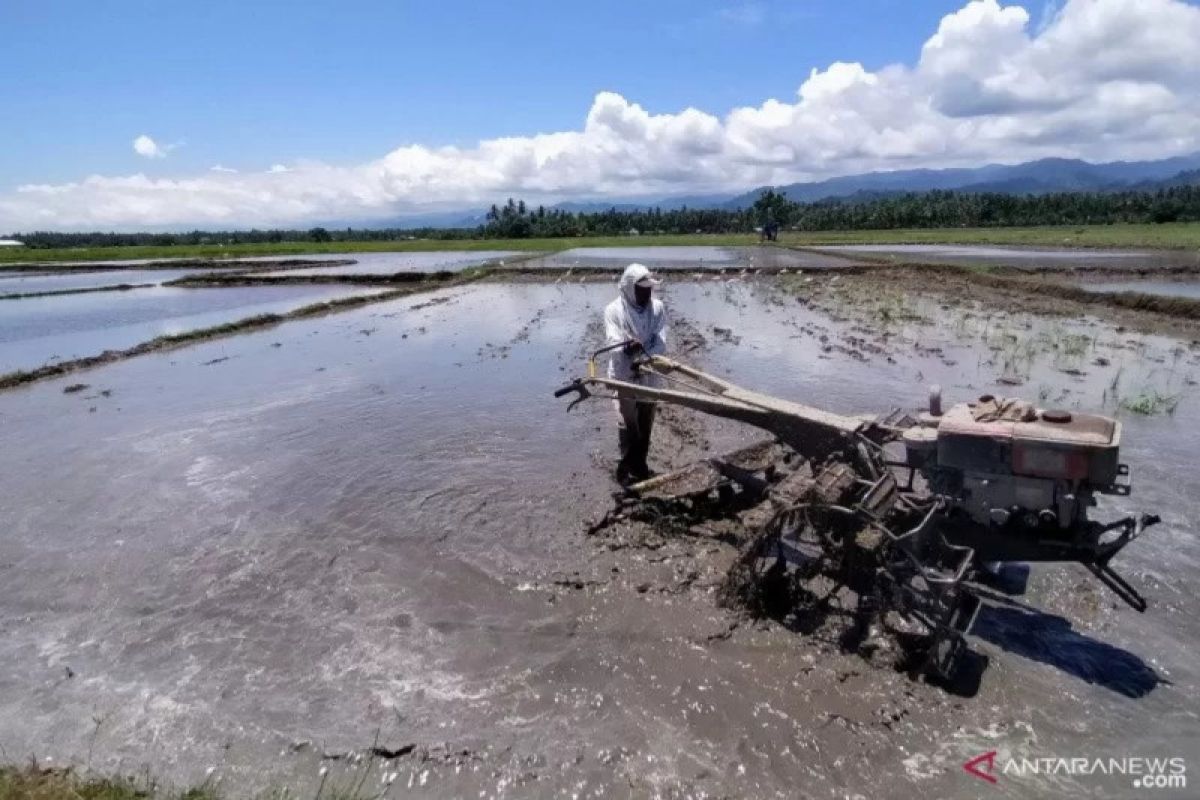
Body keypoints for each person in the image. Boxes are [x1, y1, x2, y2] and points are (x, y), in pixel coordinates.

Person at [603, 263, 668, 484]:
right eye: (642, 289)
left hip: (649, 371)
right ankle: (625, 467)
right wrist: (626, 347)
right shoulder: (614, 310)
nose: (647, 293)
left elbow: (660, 340)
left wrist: (646, 357)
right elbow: (612, 340)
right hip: (624, 372)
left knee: (646, 420)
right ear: (630, 289)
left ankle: (640, 465)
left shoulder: (657, 308)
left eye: (649, 289)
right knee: (627, 423)